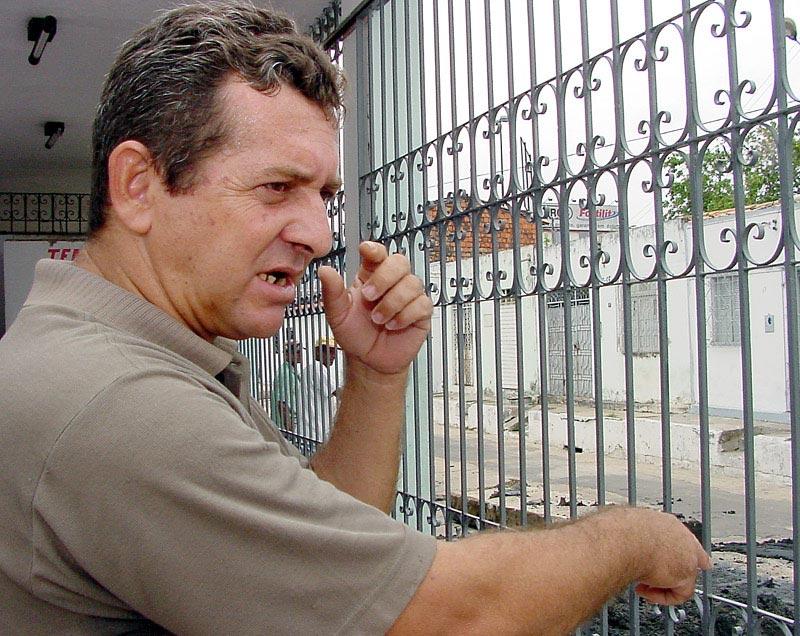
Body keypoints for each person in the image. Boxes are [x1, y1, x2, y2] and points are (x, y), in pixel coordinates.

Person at [0, 2, 710, 634]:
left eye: (324, 196)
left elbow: (329, 588)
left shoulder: (120, 354)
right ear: (138, 186)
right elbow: (450, 619)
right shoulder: (122, 402)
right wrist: (634, 537)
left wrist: (375, 375)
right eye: (276, 187)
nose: (316, 233)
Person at [299, 335, 341, 436]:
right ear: (318, 352)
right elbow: (339, 393)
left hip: (311, 430)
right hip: (314, 431)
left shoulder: (310, 369)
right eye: (330, 351)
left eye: (335, 352)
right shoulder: (318, 368)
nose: (334, 356)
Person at [270, 339, 303, 431]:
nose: (300, 355)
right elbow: (282, 404)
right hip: (287, 425)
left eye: (300, 352)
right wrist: (289, 429)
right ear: (287, 354)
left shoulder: (292, 372)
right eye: (297, 352)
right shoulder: (285, 373)